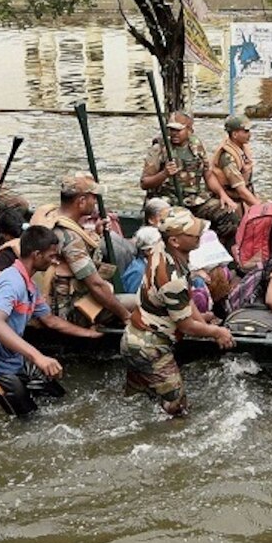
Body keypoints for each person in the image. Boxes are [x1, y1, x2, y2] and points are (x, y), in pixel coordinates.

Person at [0, 225, 99, 417]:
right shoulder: (11, 283)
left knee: (58, 396)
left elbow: (50, 320)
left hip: (14, 357)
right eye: (51, 256)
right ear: (37, 255)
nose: (55, 261)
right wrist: (38, 357)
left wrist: (90, 333)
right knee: (28, 419)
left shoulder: (29, 285)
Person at [120, 207, 235, 416]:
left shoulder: (159, 249)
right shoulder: (173, 279)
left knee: (136, 402)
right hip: (151, 348)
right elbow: (186, 325)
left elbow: (187, 301)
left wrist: (206, 325)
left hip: (135, 339)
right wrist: (218, 332)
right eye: (193, 233)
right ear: (175, 241)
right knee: (178, 410)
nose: (200, 235)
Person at [41, 172, 134, 326]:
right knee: (138, 302)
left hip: (71, 299)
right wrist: (125, 315)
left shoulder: (55, 220)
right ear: (82, 201)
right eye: (93, 197)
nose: (95, 202)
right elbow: (95, 285)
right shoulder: (69, 236)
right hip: (72, 310)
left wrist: (96, 235)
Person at [139, 112, 241, 244]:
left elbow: (208, 174)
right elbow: (144, 183)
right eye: (171, 130)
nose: (174, 133)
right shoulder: (159, 148)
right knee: (167, 223)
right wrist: (164, 174)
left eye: (178, 130)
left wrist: (223, 195)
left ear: (189, 130)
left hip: (194, 200)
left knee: (229, 215)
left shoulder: (196, 145)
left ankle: (214, 247)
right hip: (168, 201)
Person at [208, 114, 258, 213]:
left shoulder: (241, 147)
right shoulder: (227, 157)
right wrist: (260, 207)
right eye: (246, 131)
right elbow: (241, 190)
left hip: (244, 197)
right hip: (233, 200)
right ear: (235, 135)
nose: (250, 134)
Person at [121, 226, 163, 295]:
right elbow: (133, 299)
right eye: (159, 245)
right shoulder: (139, 272)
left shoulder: (151, 265)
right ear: (147, 251)